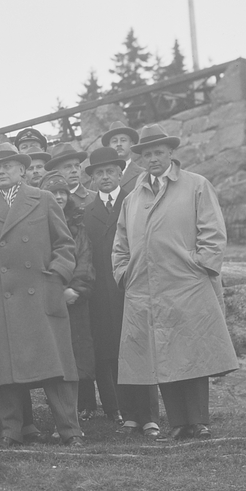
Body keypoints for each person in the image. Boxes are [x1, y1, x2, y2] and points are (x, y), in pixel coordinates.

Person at [112, 125, 238, 441]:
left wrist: (201, 266)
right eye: (146, 154)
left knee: (191, 351)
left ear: (170, 153)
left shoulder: (196, 185)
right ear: (139, 159)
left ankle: (199, 421)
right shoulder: (132, 198)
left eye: (158, 152)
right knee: (161, 354)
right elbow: (120, 243)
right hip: (145, 289)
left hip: (187, 283)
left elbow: (213, 232)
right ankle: (179, 423)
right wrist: (124, 273)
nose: (152, 159)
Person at [0, 144, 85, 448]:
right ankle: (11, 431)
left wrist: (57, 275)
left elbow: (65, 245)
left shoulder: (43, 200)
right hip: (2, 299)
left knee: (56, 370)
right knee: (7, 372)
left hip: (41, 295)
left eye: (7, 166)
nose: (1, 171)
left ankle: (70, 430)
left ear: (22, 169)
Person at [82, 146, 157, 432]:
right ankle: (126, 414)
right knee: (111, 351)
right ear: (92, 178)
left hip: (131, 288)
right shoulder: (87, 213)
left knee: (138, 349)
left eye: (110, 171)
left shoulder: (135, 202)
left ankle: (149, 415)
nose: (105, 177)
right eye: (99, 173)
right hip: (101, 294)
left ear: (119, 173)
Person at [38, 172, 97, 423]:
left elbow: (84, 258)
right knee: (55, 354)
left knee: (79, 350)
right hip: (48, 300)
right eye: (53, 193)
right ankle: (61, 411)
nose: (59, 197)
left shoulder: (78, 223)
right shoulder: (37, 222)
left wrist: (76, 289)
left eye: (63, 192)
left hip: (74, 298)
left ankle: (86, 405)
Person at [100, 121, 145, 196]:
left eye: (123, 140)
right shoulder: (99, 177)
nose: (119, 144)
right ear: (109, 146)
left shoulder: (143, 175)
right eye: (114, 141)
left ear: (131, 143)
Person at [44, 143, 91, 208]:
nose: (74, 170)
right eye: (68, 167)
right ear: (55, 171)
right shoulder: (47, 200)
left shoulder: (94, 198)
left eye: (77, 166)